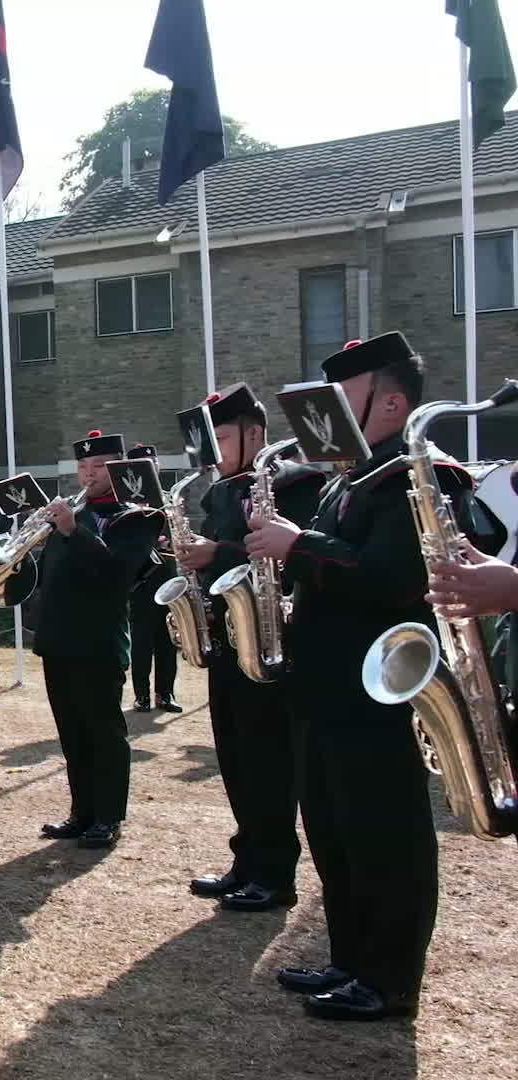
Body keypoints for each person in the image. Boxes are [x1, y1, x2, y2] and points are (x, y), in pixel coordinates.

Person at [246, 332, 473, 1022]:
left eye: (342, 400)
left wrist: (296, 544)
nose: (324, 418)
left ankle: (390, 978)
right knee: (335, 831)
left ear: (392, 403)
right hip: (327, 684)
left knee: (384, 836)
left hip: (378, 689)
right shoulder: (349, 479)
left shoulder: (416, 475)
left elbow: (390, 575)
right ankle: (350, 959)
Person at [176, 383, 325, 913]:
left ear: (255, 433)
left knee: (268, 763)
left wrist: (217, 552)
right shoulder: (220, 491)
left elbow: (292, 556)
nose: (213, 452)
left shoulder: (294, 481)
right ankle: (247, 860)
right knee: (236, 759)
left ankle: (275, 873)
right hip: (228, 638)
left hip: (268, 640)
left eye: (222, 438)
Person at [33, 430, 162, 850]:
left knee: (103, 732)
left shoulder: (136, 517)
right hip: (58, 638)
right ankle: (82, 812)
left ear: (119, 468)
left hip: (98, 640)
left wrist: (74, 532)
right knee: (71, 731)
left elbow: (117, 575)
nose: (89, 474)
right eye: (83, 467)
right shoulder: (68, 513)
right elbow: (49, 573)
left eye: (100, 466)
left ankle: (108, 816)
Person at [125, 443, 181, 713]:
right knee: (142, 641)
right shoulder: (128, 503)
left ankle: (165, 694)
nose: (151, 469)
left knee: (167, 640)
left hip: (169, 577)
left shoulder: (170, 499)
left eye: (153, 464)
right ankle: (142, 695)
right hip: (141, 581)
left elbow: (181, 533)